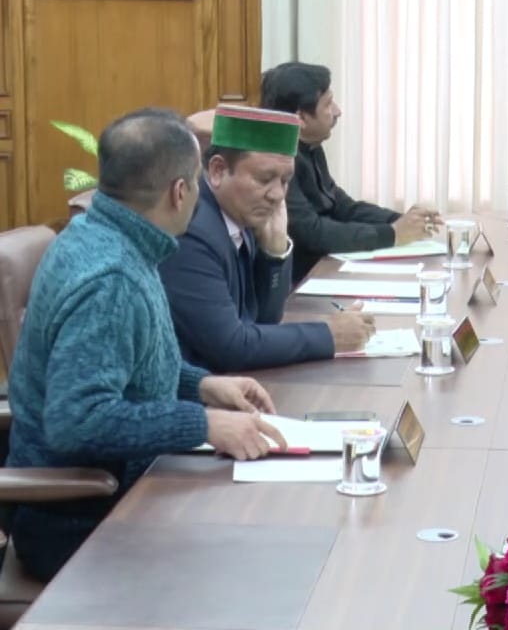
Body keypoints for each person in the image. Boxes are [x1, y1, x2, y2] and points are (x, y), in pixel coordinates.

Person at [5, 108, 288, 581]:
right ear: (179, 192)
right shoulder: (111, 278)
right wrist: (202, 423)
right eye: (197, 182)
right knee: (255, 562)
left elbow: (130, 364)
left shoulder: (109, 236)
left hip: (125, 492)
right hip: (81, 520)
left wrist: (202, 386)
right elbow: (78, 420)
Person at [160, 105, 376, 372]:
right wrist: (329, 335)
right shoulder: (192, 230)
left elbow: (265, 319)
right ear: (217, 171)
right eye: (264, 179)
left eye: (285, 181)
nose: (277, 195)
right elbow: (231, 347)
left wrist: (275, 253)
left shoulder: (242, 213)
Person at [259, 62, 442, 283]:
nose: (338, 111)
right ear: (301, 119)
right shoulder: (277, 162)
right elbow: (312, 232)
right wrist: (392, 234)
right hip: (298, 283)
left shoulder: (310, 148)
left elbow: (342, 206)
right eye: (328, 104)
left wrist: (400, 220)